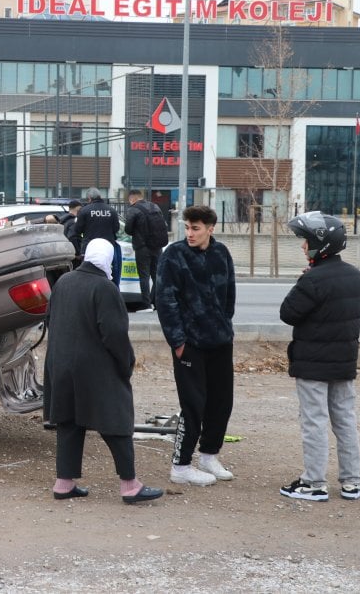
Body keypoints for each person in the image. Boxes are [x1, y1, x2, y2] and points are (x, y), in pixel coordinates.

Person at [43, 238, 163, 505]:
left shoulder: (64, 282)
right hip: (95, 369)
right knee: (116, 421)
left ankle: (64, 483)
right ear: (110, 260)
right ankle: (130, 485)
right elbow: (115, 334)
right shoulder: (105, 288)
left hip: (60, 365)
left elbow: (50, 319)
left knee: (69, 422)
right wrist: (126, 364)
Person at [278, 212, 360, 502]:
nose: (303, 246)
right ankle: (352, 482)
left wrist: (303, 280)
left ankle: (314, 482)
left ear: (320, 244)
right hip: (344, 361)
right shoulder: (355, 276)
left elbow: (288, 313)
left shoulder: (312, 280)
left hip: (312, 363)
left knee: (314, 421)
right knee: (345, 420)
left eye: (306, 241)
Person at [154, 204, 236, 487]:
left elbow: (229, 295)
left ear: (210, 229)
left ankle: (209, 455)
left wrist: (225, 326)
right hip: (189, 345)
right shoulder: (173, 255)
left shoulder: (221, 252)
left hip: (220, 342)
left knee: (222, 401)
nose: (190, 233)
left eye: (196, 228)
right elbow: (164, 300)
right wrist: (178, 342)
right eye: (187, 227)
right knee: (193, 405)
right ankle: (181, 465)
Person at [124, 189, 164, 309]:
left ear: (132, 199)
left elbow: (128, 229)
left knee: (144, 276)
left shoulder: (133, 209)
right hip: (157, 246)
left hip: (142, 248)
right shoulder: (155, 206)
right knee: (157, 275)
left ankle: (146, 305)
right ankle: (156, 302)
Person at [74, 188, 120, 286]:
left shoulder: (84, 210)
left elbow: (77, 230)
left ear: (89, 198)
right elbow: (116, 228)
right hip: (107, 249)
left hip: (89, 249)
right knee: (107, 273)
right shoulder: (111, 210)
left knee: (87, 275)